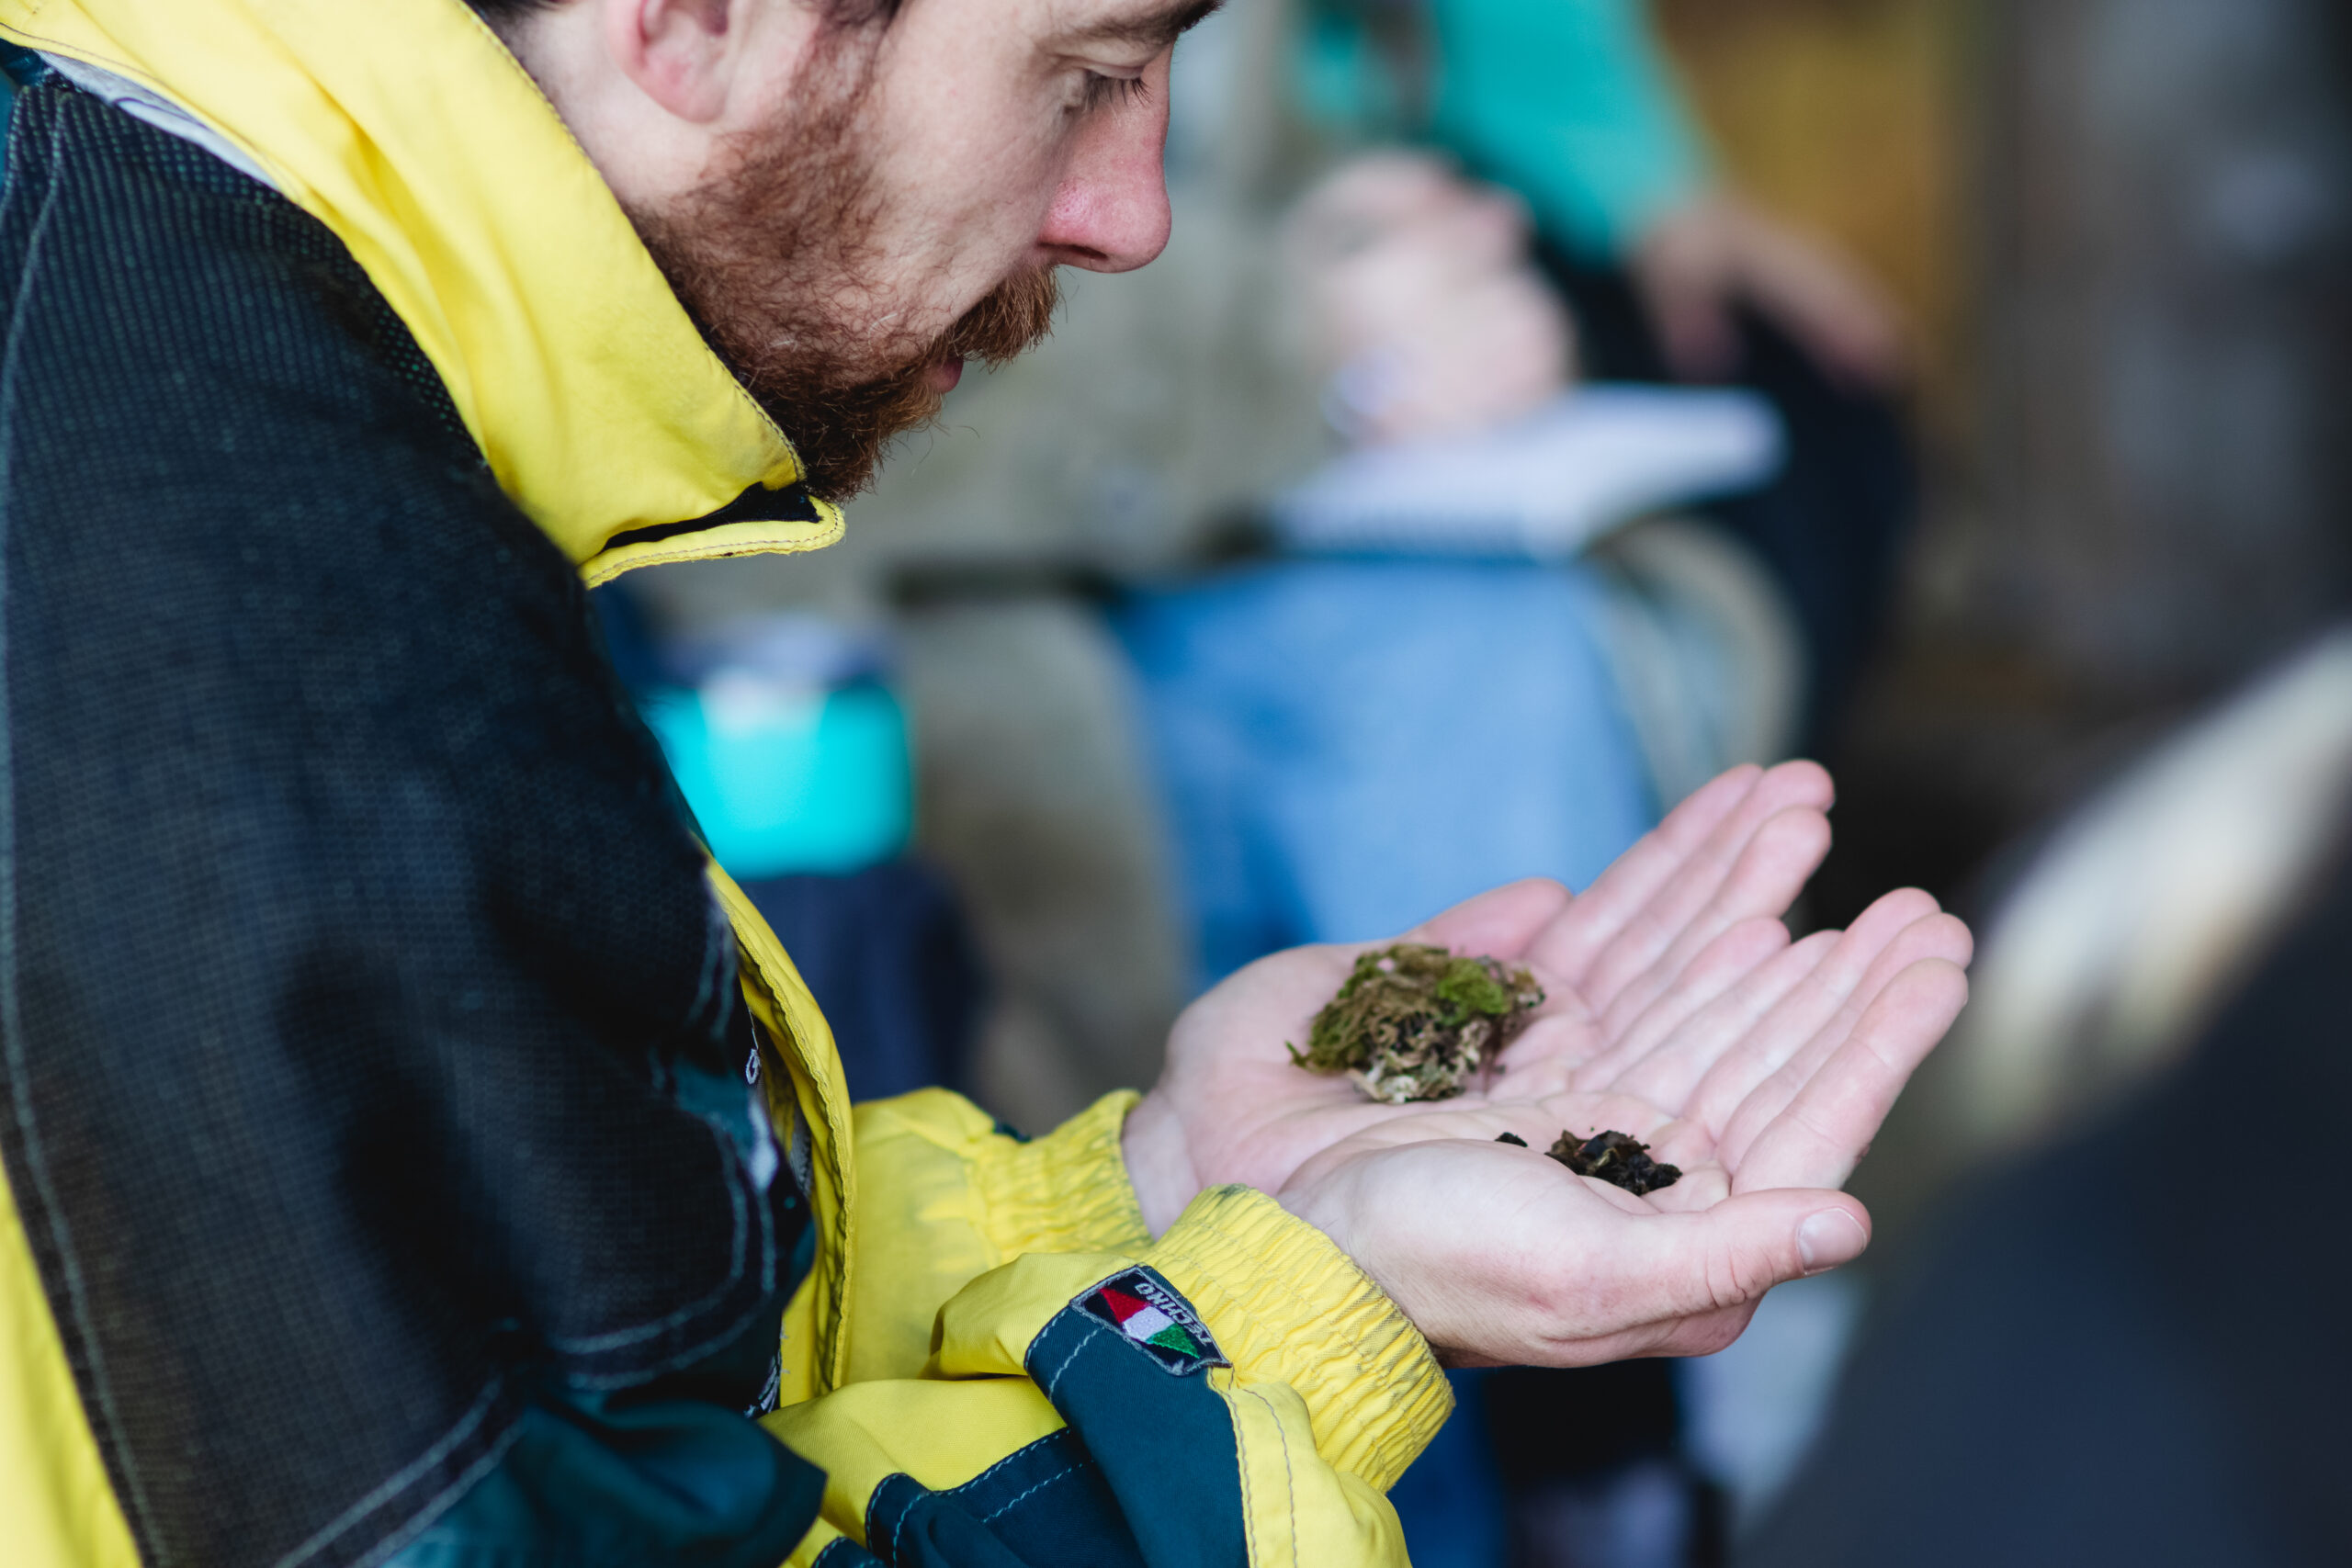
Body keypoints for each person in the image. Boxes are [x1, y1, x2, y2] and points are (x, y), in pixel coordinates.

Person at [0, 4, 1971, 1567]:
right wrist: (1299, 1325)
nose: (1130, 215)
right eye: (1087, 75)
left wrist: (1143, 1195)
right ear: (696, 16)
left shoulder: (161, 292)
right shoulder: (301, 684)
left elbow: (601, 1358)